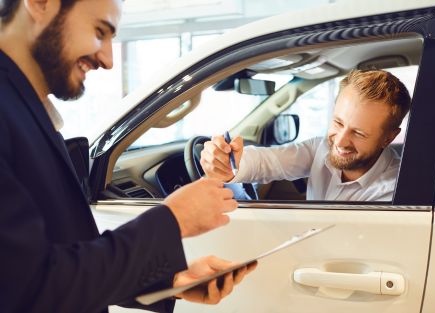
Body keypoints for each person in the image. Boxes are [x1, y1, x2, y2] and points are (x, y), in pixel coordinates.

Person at [0, 0, 255, 312]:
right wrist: (172, 220)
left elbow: (58, 260)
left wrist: (169, 283)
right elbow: (28, 289)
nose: (107, 60)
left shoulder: (25, 106)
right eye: (99, 32)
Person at [201, 69, 411, 201]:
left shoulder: (392, 192)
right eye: (338, 122)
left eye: (358, 133)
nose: (340, 141)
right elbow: (270, 161)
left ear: (388, 138)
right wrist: (228, 164)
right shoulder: (321, 148)